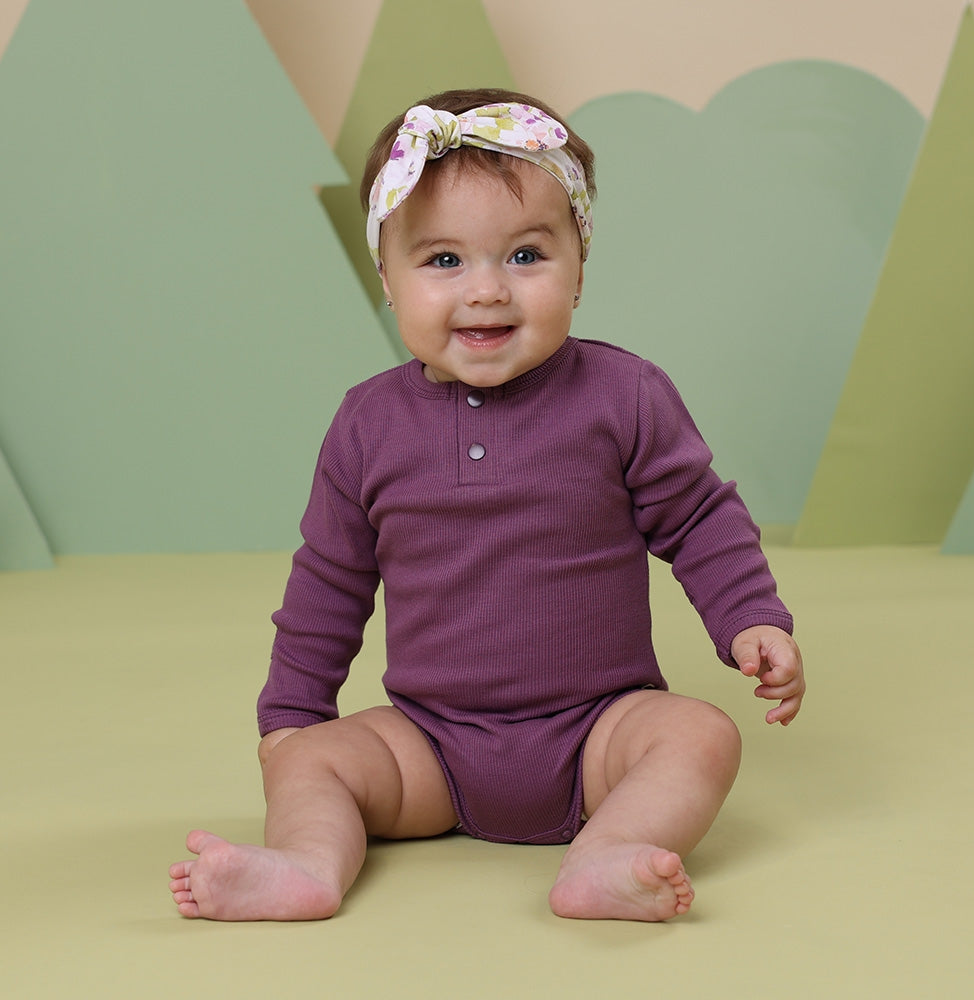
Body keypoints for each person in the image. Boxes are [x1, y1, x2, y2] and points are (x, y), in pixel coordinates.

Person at [168, 87, 804, 923]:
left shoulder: (624, 395)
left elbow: (699, 519)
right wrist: (291, 717)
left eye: (526, 256)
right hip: (429, 743)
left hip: (597, 734)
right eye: (442, 262)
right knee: (306, 761)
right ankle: (306, 864)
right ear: (387, 282)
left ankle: (605, 855)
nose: (487, 292)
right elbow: (329, 581)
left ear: (579, 267)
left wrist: (751, 619)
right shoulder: (369, 423)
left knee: (701, 736)